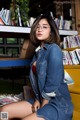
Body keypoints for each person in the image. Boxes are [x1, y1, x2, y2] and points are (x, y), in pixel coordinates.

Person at [0, 14, 73, 120]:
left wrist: (43, 104)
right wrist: (38, 100)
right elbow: (38, 82)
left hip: (58, 104)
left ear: (51, 31)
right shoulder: (37, 53)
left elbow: (53, 83)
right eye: (37, 27)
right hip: (40, 99)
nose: (40, 29)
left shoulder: (54, 50)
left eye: (44, 27)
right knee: (3, 111)